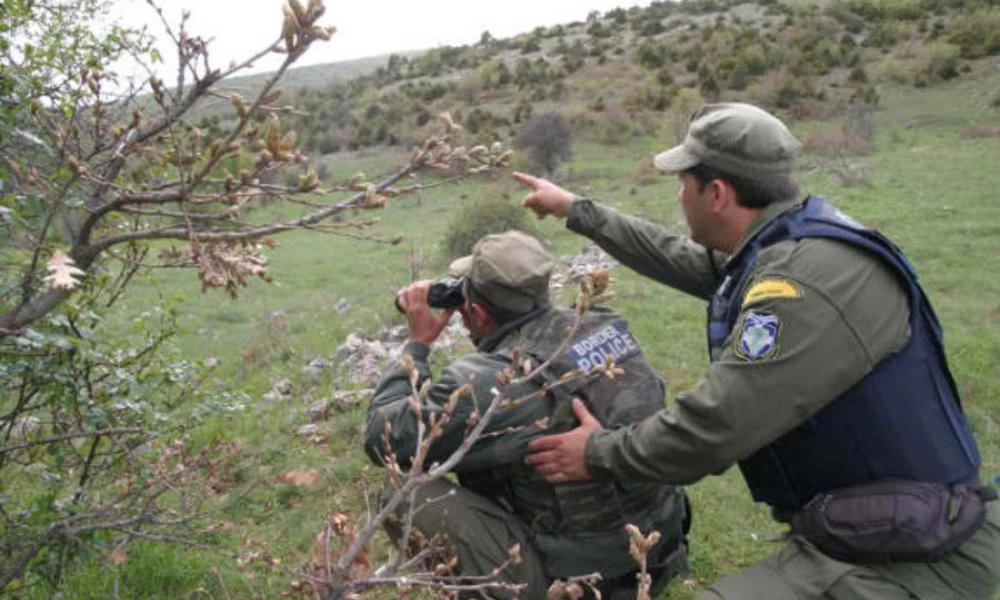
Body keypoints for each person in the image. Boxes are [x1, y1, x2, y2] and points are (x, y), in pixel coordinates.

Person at [513, 102, 999, 599]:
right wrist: (576, 210)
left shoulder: (800, 284)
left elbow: (713, 428)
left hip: (924, 551)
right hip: (878, 524)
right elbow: (679, 257)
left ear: (717, 193)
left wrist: (596, 452)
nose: (679, 195)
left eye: (683, 183)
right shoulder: (789, 242)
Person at [363, 230, 690, 599]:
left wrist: (417, 344)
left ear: (477, 312)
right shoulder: (602, 323)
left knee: (399, 493)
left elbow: (383, 438)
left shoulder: (495, 381)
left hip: (583, 583)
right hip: (655, 552)